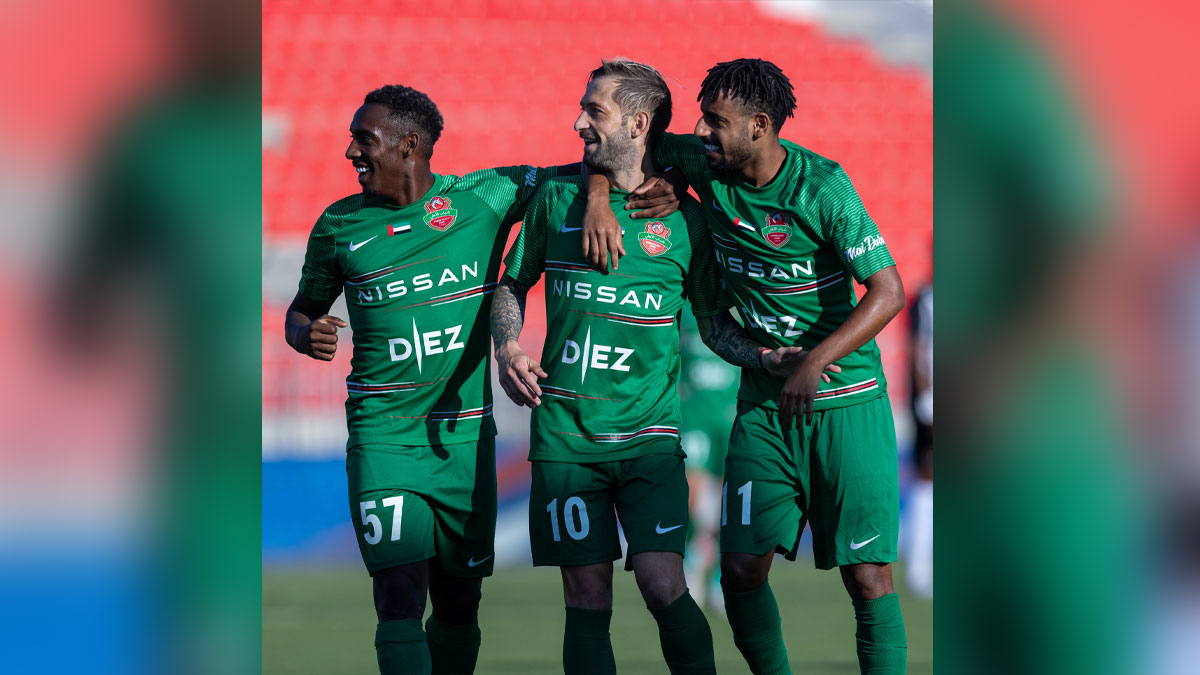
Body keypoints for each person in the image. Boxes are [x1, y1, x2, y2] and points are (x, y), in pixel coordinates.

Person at [284, 84, 677, 675]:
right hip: (383, 437)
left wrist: (604, 196)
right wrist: (303, 332)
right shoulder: (338, 224)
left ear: (408, 145)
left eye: (363, 140)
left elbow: (585, 166)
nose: (351, 153)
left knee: (459, 604)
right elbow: (302, 309)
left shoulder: (484, 196)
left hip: (466, 440)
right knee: (398, 596)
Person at [490, 59, 840, 675]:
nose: (578, 123)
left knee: (663, 583)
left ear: (638, 124)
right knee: (586, 595)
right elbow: (511, 284)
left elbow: (714, 325)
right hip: (566, 438)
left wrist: (763, 356)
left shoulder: (688, 221)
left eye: (594, 111)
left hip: (650, 440)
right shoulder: (556, 200)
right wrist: (508, 346)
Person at [585, 58, 909, 674]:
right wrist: (600, 200)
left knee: (868, 576)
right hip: (764, 403)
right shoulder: (704, 163)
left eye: (715, 121)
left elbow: (888, 291)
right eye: (701, 118)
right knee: (738, 569)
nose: (700, 131)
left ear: (759, 125)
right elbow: (609, 151)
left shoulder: (822, 186)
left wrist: (816, 360)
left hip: (848, 401)